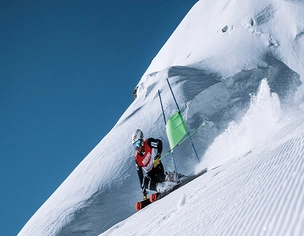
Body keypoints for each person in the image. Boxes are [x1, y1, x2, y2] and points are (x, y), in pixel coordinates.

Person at [132, 129, 171, 200]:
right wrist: (143, 190)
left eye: (137, 144)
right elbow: (140, 175)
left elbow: (159, 143)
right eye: (134, 146)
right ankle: (161, 188)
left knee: (160, 177)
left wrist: (158, 155)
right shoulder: (137, 158)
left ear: (141, 142)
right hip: (150, 174)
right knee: (144, 182)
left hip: (156, 166)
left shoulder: (148, 143)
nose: (137, 148)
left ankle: (173, 177)